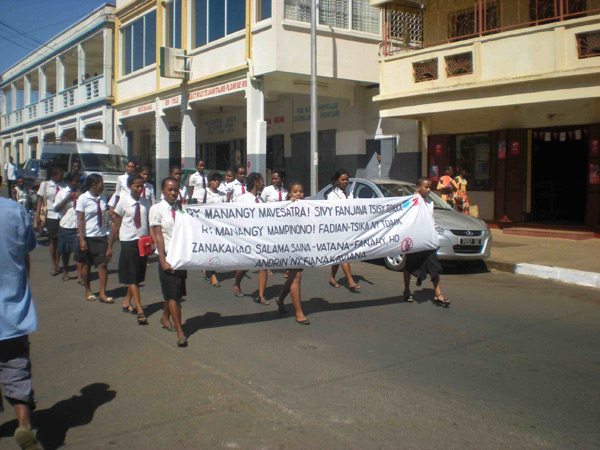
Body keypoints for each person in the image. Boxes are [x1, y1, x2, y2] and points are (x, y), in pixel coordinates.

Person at [0, 196, 43, 450]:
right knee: (16, 367)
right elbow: (25, 254)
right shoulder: (15, 210)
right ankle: (24, 424)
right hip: (11, 309)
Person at [107, 174, 151, 325]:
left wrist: (151, 241)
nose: (139, 189)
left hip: (142, 242)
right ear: (130, 186)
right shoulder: (123, 201)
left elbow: (148, 223)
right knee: (132, 276)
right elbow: (116, 223)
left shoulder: (145, 202)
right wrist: (110, 245)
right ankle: (140, 310)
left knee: (138, 275)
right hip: (128, 242)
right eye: (136, 186)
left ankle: (126, 302)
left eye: (141, 186)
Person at [150, 177, 188, 347]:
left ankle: (165, 317)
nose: (173, 193)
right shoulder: (156, 209)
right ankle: (180, 332)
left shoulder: (181, 209)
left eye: (176, 190)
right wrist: (162, 260)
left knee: (176, 292)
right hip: (167, 257)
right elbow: (158, 235)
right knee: (173, 297)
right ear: (163, 191)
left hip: (181, 257)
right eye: (169, 190)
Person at [403, 177, 450, 307]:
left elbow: (431, 220)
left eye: (430, 187)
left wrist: (434, 234)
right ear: (419, 187)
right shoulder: (410, 201)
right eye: (426, 187)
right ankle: (406, 290)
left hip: (428, 240)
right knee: (409, 266)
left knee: (434, 266)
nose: (429, 190)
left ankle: (438, 294)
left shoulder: (430, 202)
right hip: (415, 239)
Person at [232, 172, 270, 305]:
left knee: (263, 265)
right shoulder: (242, 199)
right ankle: (237, 283)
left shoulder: (261, 200)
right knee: (246, 264)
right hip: (247, 236)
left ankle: (261, 295)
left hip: (260, 237)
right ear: (255, 182)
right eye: (262, 181)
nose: (263, 184)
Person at [75, 173, 113, 304]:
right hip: (87, 237)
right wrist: (81, 239)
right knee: (87, 265)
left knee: (103, 265)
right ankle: (88, 290)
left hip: (101, 236)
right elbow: (80, 220)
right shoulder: (83, 198)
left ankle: (102, 293)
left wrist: (108, 233)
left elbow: (105, 216)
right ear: (93, 184)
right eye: (101, 183)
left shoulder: (103, 198)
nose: (103, 186)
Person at [276, 182, 310, 325]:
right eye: (295, 191)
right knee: (296, 276)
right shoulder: (285, 207)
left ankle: (280, 299)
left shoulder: (307, 206)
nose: (298, 194)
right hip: (288, 246)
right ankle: (299, 312)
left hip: (301, 245)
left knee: (292, 277)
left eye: (300, 191)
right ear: (290, 194)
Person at [326, 169, 361, 293]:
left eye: (347, 179)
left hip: (347, 228)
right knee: (343, 255)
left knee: (339, 255)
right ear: (337, 181)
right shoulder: (332, 195)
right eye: (343, 179)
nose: (345, 181)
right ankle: (350, 281)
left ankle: (332, 277)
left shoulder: (349, 193)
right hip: (336, 230)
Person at [37, 166, 65, 277]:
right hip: (51, 215)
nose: (62, 177)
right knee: (53, 240)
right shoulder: (45, 185)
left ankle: (58, 263)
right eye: (60, 175)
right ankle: (54, 264)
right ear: (54, 176)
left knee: (60, 241)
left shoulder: (64, 185)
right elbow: (40, 201)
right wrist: (38, 216)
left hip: (62, 216)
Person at [54, 173, 81, 282]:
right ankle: (65, 270)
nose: (77, 183)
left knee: (80, 251)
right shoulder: (62, 193)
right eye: (75, 181)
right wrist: (68, 198)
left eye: (79, 181)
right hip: (66, 224)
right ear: (69, 182)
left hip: (78, 225)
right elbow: (56, 208)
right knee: (65, 251)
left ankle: (80, 275)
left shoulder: (81, 193)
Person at [202, 172, 226, 288]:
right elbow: (196, 208)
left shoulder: (222, 195)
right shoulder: (203, 193)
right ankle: (212, 276)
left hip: (218, 227)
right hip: (206, 226)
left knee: (215, 249)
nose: (216, 182)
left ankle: (207, 267)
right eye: (214, 180)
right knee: (210, 249)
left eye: (218, 180)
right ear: (210, 181)